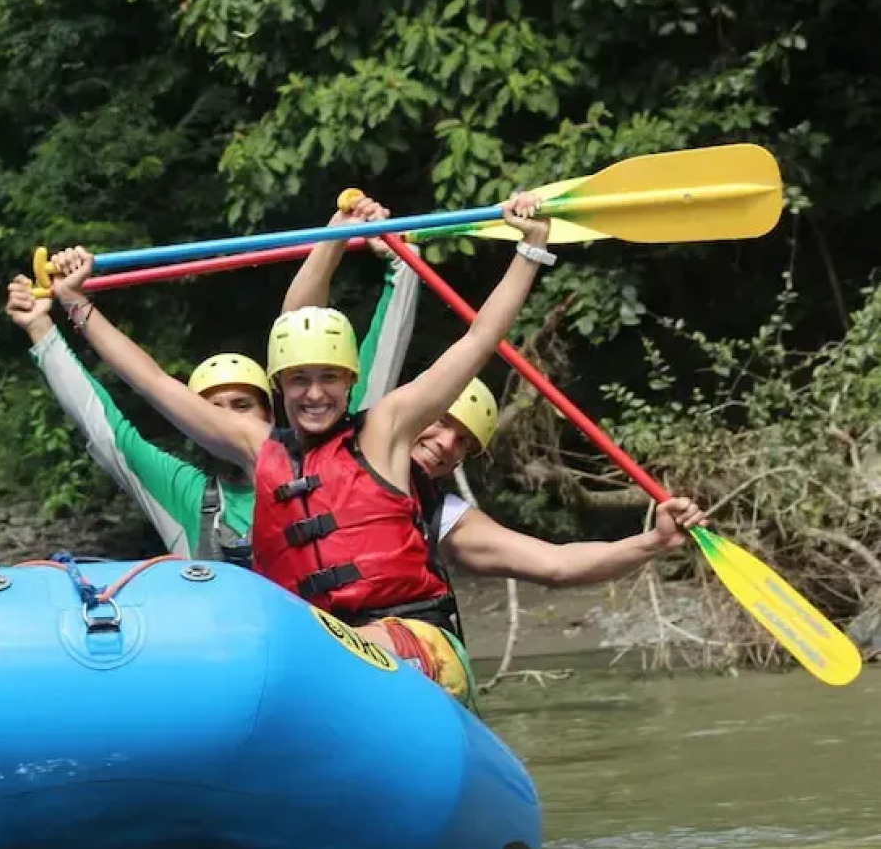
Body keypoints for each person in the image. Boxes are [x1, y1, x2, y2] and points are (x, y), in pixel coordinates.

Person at [30, 191, 558, 706]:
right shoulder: (255, 446)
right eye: (299, 380)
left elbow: (477, 341)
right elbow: (151, 381)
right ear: (279, 387)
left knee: (315, 651)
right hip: (320, 649)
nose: (314, 394)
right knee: (283, 654)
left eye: (329, 378)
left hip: (415, 642)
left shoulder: (388, 426)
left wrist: (529, 251)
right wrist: (77, 303)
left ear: (351, 381)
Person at [281, 215, 705, 641]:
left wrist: (653, 542)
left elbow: (554, 564)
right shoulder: (338, 433)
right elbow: (298, 333)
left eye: (464, 443)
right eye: (443, 423)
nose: (446, 444)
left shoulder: (441, 517)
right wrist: (334, 235)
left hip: (390, 651)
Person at [1, 196, 440, 564]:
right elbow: (105, 424)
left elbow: (360, 344)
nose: (227, 420)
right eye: (212, 408)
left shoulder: (340, 449)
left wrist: (389, 257)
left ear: (273, 412)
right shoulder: (186, 495)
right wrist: (44, 326)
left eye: (242, 406)